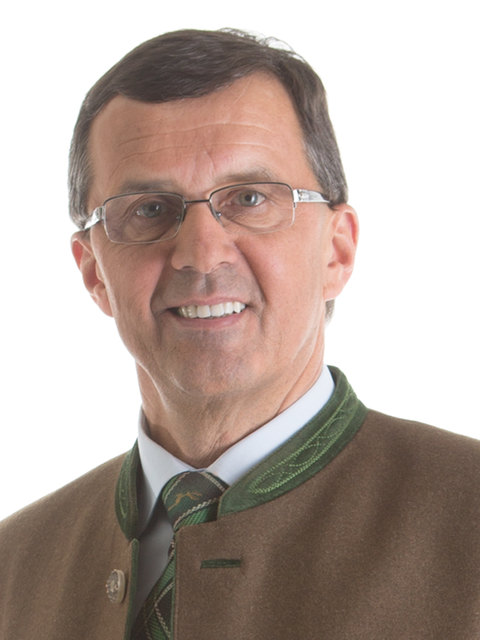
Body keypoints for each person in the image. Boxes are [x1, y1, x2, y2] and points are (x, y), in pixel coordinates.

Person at [1, 28, 479, 640]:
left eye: (250, 198)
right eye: (148, 209)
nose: (201, 254)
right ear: (94, 271)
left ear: (336, 251)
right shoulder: (13, 568)